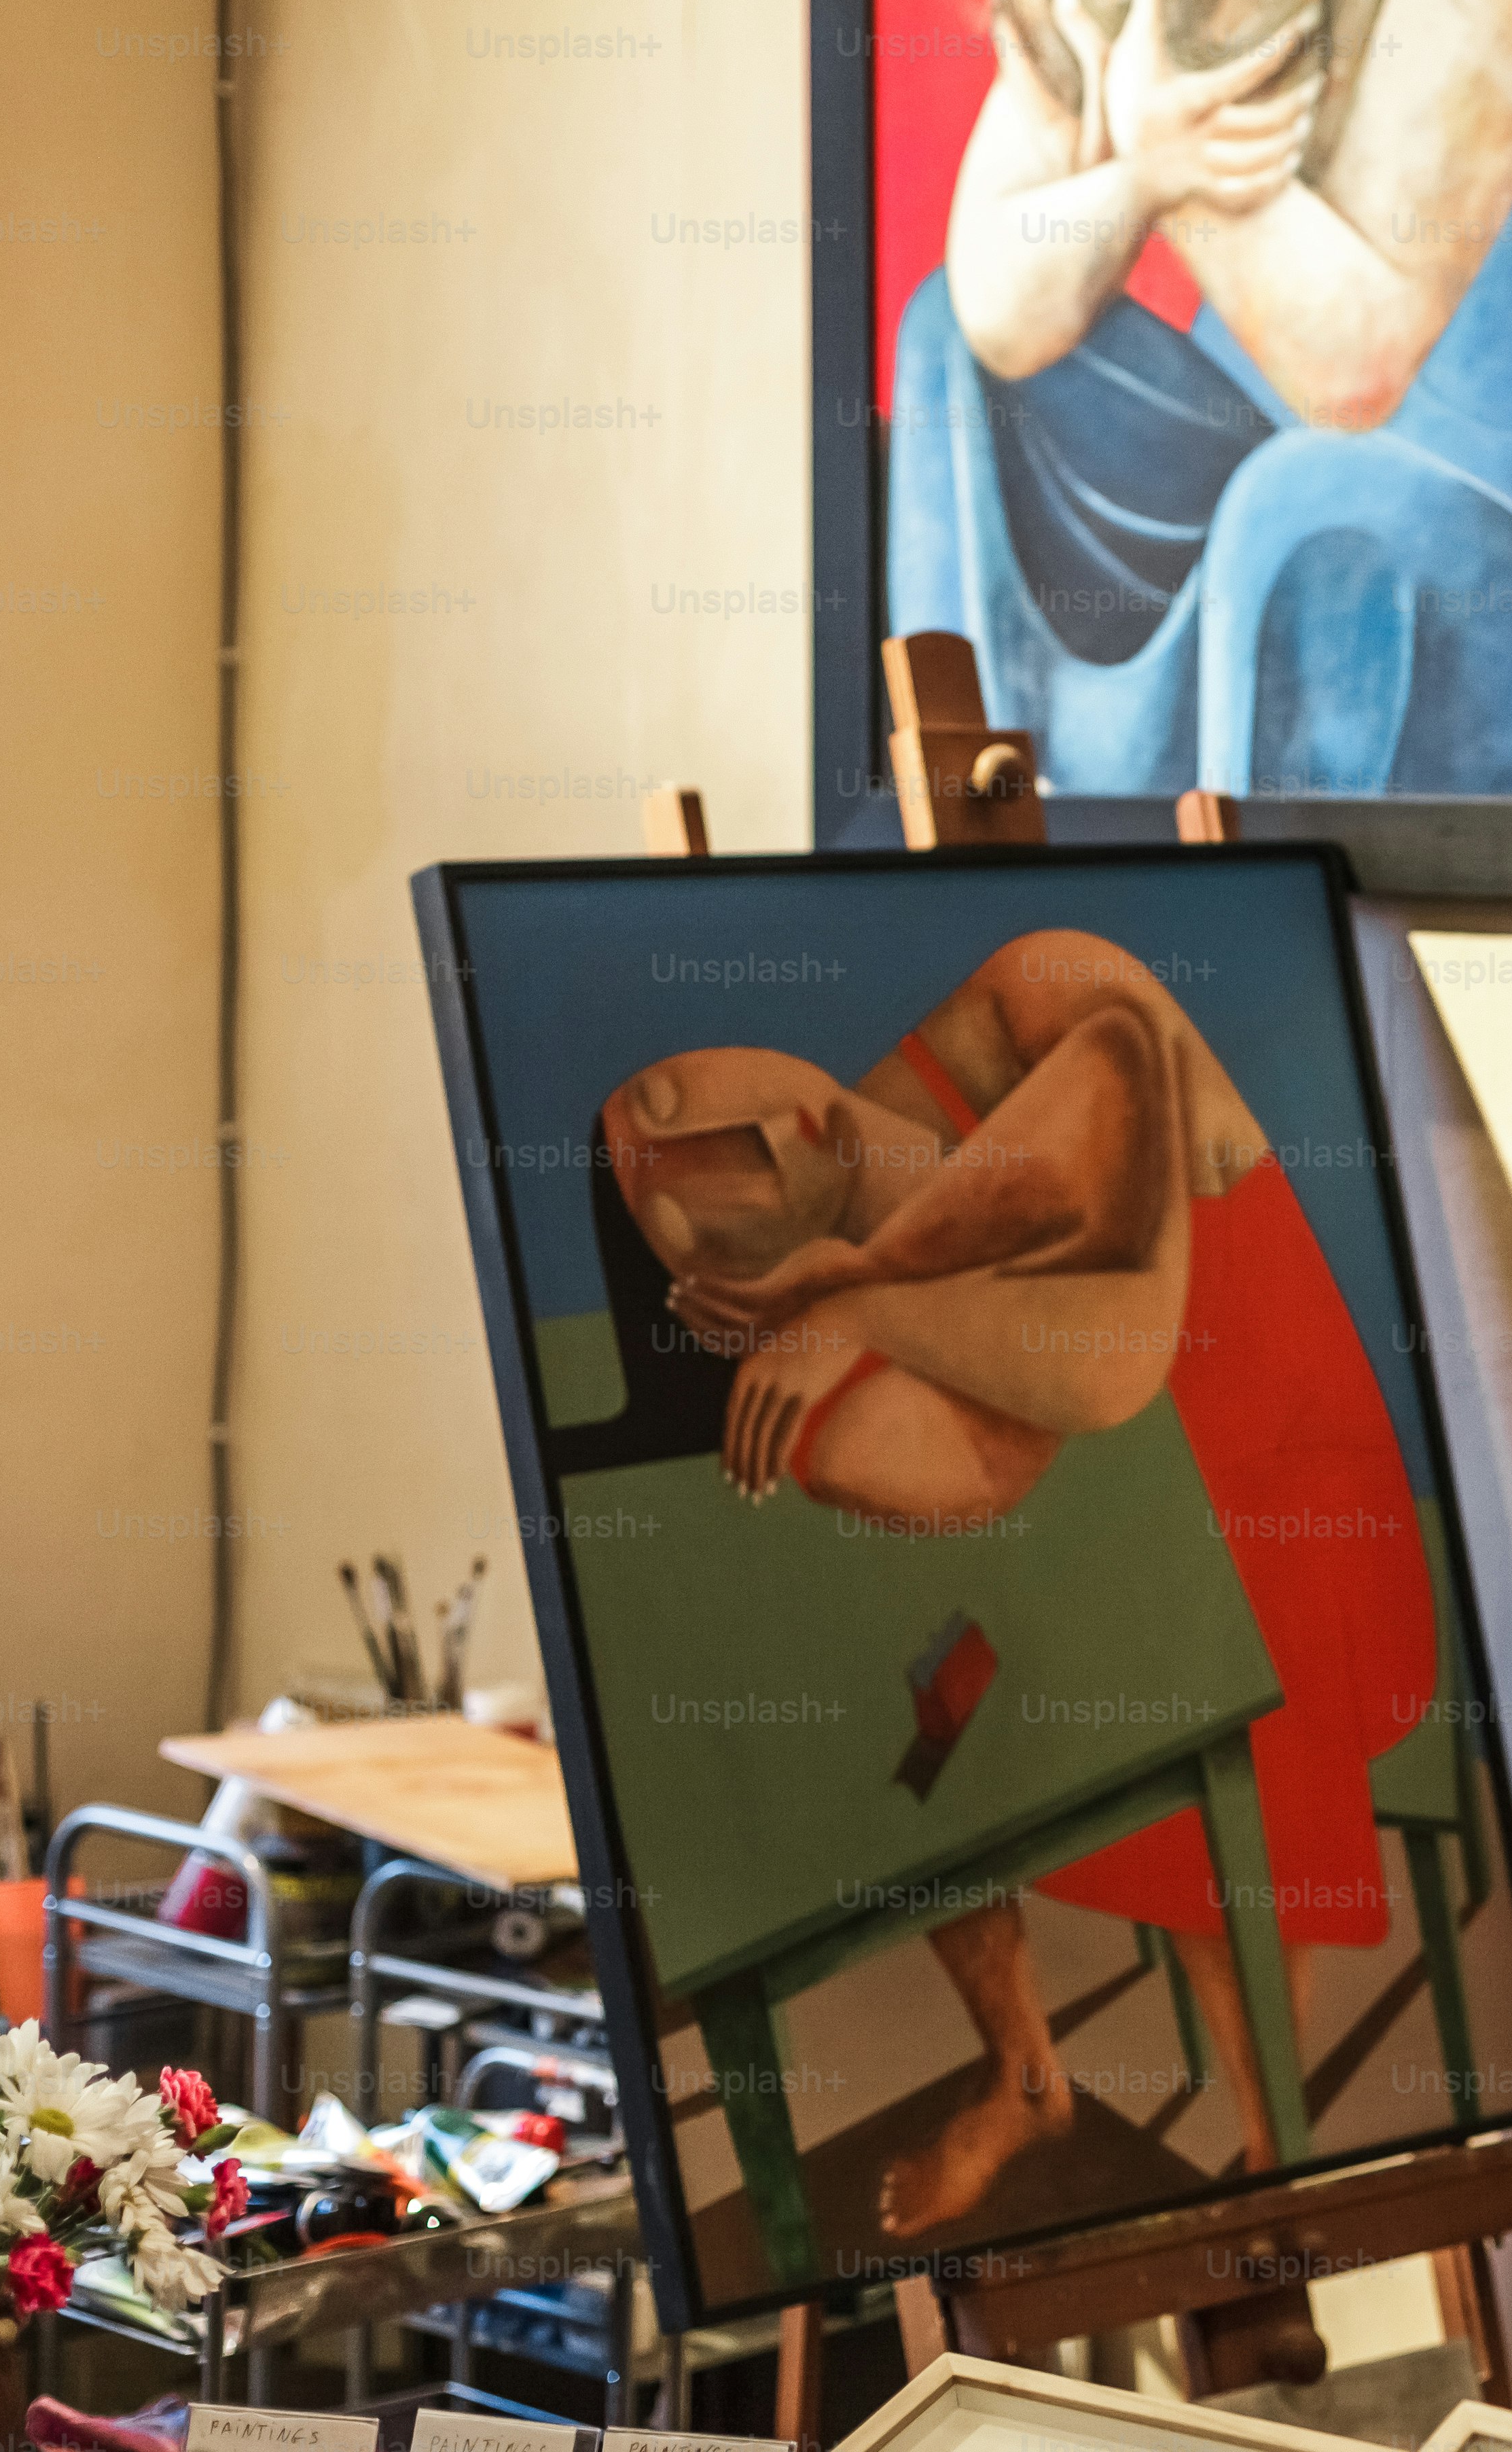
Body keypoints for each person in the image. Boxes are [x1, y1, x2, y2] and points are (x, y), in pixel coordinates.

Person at [605, 931, 1437, 2238]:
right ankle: (1027, 2071)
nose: (752, 1136)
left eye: (704, 1113)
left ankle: (1276, 2169)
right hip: (1111, 1535)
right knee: (927, 1704)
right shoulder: (823, 1334)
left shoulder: (1001, 1026)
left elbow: (1117, 1344)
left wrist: (870, 1304)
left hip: (1278, 1460)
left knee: (1223, 1673)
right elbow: (1006, 1462)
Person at [888, 0, 1512, 796]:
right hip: (1238, 524)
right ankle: (978, 831)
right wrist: (1146, 170)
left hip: (1484, 587)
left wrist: (1168, 162)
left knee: (1295, 493)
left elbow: (1354, 371)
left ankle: (1241, 895)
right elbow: (996, 306)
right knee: (947, 335)